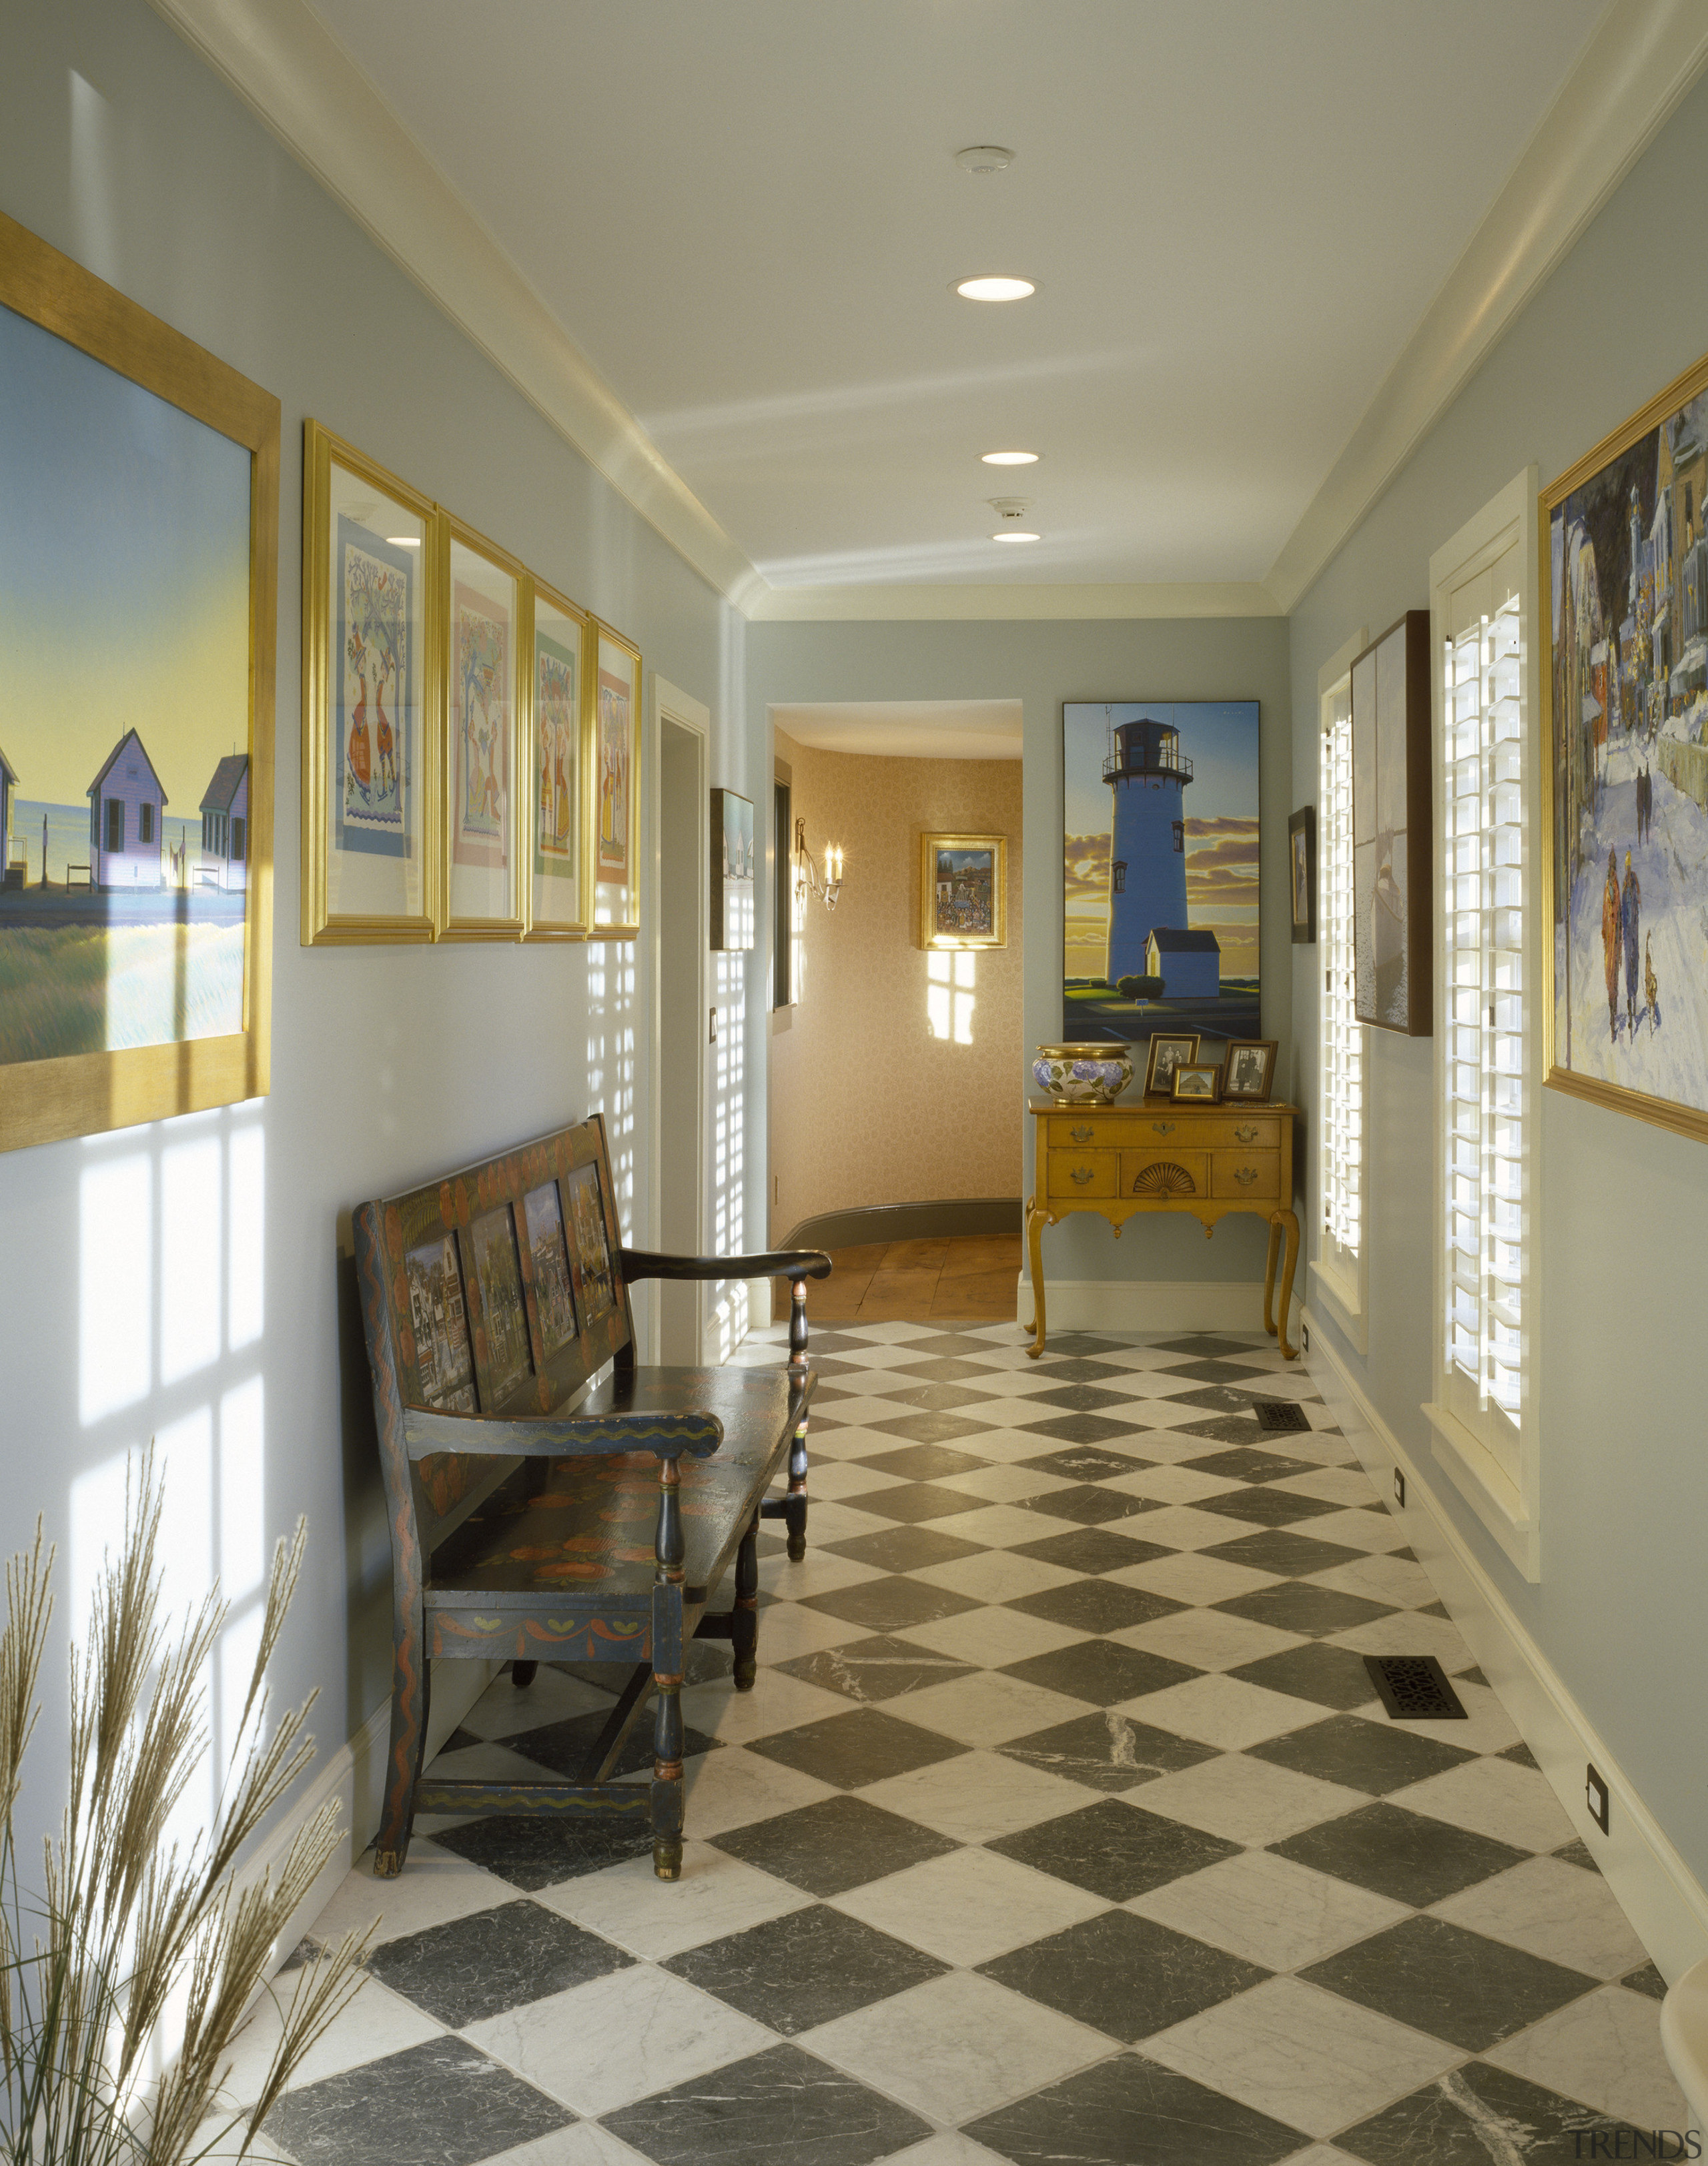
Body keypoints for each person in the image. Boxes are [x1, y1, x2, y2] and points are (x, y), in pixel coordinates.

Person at [1601, 847, 1622, 1040]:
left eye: (1613, 865)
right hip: (1609, 938)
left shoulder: (1615, 884)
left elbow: (1618, 910)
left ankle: (1614, 1012)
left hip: (1615, 939)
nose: (1611, 869)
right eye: (1610, 865)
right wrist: (1604, 929)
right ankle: (1611, 1012)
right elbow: (1604, 910)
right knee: (1609, 975)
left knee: (1614, 974)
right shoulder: (1608, 885)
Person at [1621, 848, 1642, 1037]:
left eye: (1629, 866)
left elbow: (1638, 904)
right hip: (1627, 934)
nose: (1628, 870)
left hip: (1634, 930)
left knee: (1635, 962)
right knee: (1629, 965)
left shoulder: (1634, 882)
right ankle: (1630, 1002)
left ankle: (1634, 998)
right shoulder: (1624, 886)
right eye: (1626, 867)